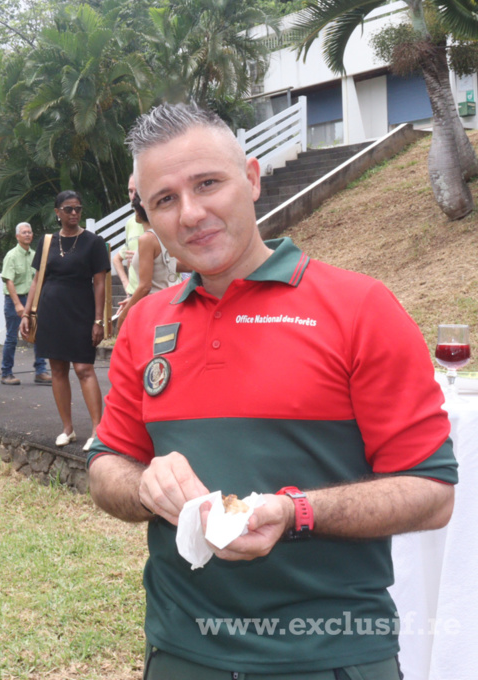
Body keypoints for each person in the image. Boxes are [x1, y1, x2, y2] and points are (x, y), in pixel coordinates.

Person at [86, 102, 457, 678]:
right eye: (164, 200)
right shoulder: (144, 323)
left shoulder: (360, 308)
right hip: (180, 653)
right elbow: (107, 467)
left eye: (207, 183)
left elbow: (432, 494)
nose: (191, 213)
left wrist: (296, 512)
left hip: (331, 655)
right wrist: (143, 486)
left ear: (253, 179)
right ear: (148, 218)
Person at [20, 190, 110, 452]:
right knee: (58, 370)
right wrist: (27, 313)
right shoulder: (47, 242)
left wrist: (98, 321)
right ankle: (67, 429)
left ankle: (97, 430)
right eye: (68, 209)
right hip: (51, 314)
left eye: (78, 209)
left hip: (81, 313)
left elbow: (100, 283)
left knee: (84, 369)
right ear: (57, 212)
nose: (74, 213)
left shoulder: (93, 242)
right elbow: (37, 280)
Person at [113, 193, 182, 334]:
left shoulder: (147, 239)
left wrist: (124, 315)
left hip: (155, 307)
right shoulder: (163, 235)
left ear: (139, 212)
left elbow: (145, 286)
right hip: (169, 303)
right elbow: (169, 266)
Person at [0, 222, 50, 386]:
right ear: (17, 236)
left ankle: (41, 371)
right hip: (16, 300)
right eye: (24, 232)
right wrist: (17, 305)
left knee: (40, 335)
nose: (27, 234)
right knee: (12, 338)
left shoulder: (35, 255)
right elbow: (9, 281)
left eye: (29, 232)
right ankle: (6, 373)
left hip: (33, 300)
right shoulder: (12, 255)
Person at [110, 175, 146, 298]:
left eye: (138, 191)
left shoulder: (161, 220)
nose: (133, 196)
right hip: (134, 294)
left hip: (160, 293)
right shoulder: (130, 223)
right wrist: (127, 286)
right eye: (130, 191)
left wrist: (147, 257)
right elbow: (118, 259)